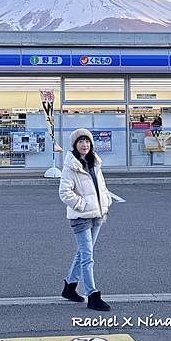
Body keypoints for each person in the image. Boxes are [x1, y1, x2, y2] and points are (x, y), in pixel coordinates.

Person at [59, 128, 112, 312]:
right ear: (75, 145)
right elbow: (64, 193)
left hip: (97, 215)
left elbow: (102, 186)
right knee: (88, 257)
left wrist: (106, 202)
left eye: (87, 141)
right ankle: (92, 295)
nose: (85, 145)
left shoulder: (94, 162)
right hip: (81, 217)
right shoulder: (71, 166)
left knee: (82, 254)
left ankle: (70, 287)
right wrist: (82, 205)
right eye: (81, 141)